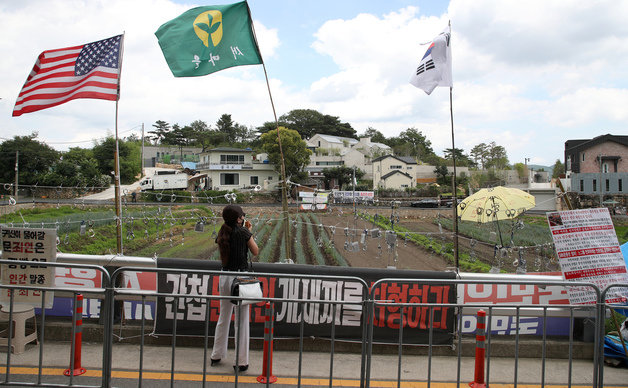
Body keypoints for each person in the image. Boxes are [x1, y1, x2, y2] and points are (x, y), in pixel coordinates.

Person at [210, 204, 258, 373]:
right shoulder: (243, 232)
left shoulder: (223, 232)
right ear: (238, 218)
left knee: (224, 316)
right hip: (240, 279)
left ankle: (216, 354)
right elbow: (255, 251)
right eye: (242, 215)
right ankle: (241, 361)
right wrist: (249, 231)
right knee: (242, 320)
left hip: (224, 277)